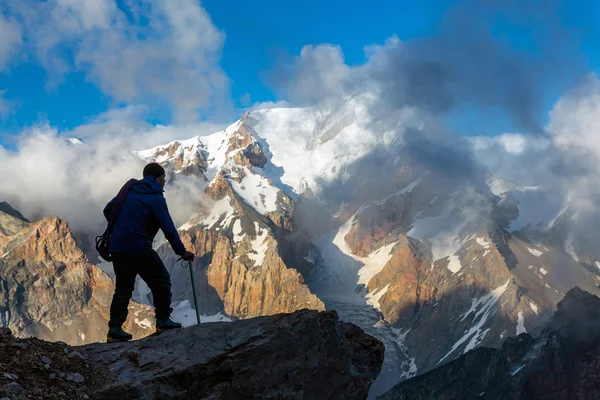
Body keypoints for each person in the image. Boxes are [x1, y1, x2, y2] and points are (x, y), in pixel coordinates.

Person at [104, 162, 195, 342]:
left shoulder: (129, 191)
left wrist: (121, 227)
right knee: (161, 280)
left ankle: (114, 330)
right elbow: (168, 229)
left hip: (118, 247)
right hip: (138, 247)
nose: (165, 181)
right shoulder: (156, 198)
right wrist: (182, 252)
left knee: (123, 288)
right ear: (157, 178)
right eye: (163, 178)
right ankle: (162, 320)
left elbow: (108, 209)